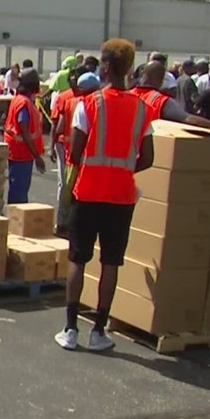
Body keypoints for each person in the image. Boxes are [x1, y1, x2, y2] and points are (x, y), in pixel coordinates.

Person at [56, 38, 156, 352]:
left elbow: (75, 149)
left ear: (107, 67)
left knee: (78, 258)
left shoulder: (88, 104)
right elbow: (148, 157)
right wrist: (124, 169)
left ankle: (71, 328)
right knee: (111, 262)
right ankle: (99, 330)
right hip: (122, 197)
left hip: (88, 192)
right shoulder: (142, 109)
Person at [51, 68, 99, 234]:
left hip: (69, 151)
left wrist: (52, 144)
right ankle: (75, 223)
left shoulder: (67, 100)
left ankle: (62, 222)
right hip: (89, 154)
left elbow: (58, 127)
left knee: (65, 186)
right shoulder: (98, 104)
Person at [133, 61, 210, 129]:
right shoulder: (162, 101)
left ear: (142, 75)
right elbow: (189, 119)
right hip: (146, 148)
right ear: (161, 80)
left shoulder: (127, 95)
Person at [4, 68, 47, 204]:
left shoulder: (18, 99)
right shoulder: (24, 103)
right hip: (22, 154)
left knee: (18, 190)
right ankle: (16, 222)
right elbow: (24, 129)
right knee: (19, 196)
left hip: (17, 151)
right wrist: (37, 156)